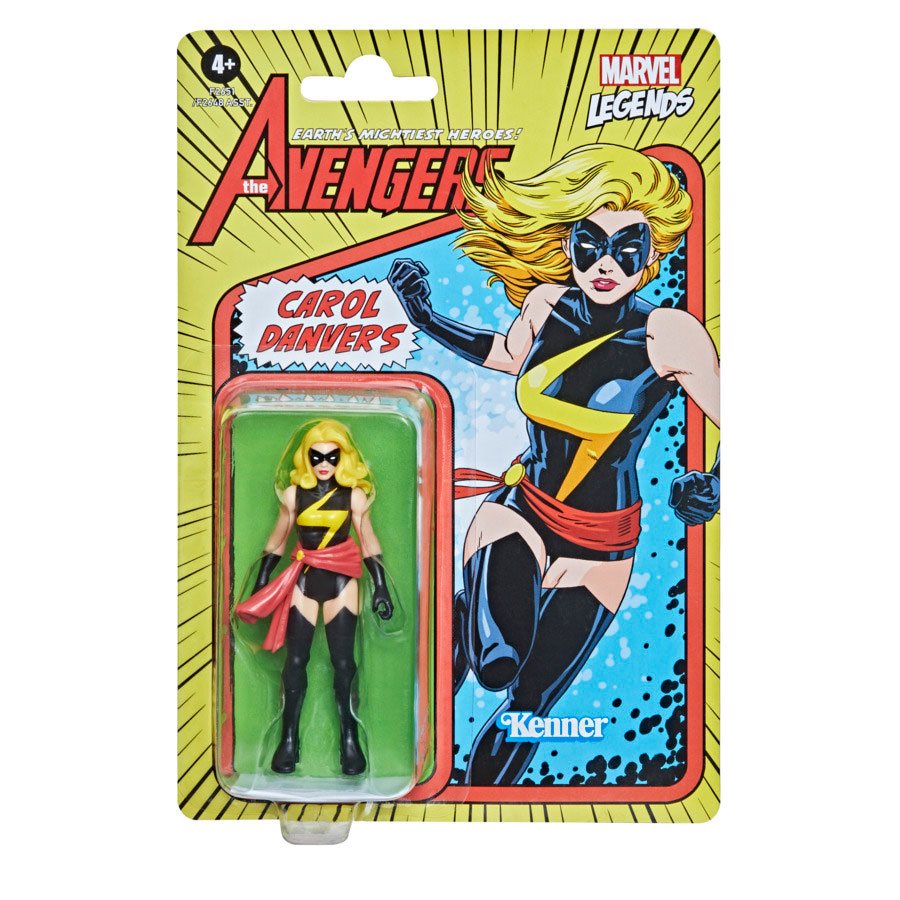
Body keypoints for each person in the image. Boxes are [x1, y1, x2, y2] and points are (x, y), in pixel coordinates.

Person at [387, 144, 720, 786]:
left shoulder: (671, 335)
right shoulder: (545, 304)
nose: (605, 263)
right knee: (497, 658)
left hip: (604, 545)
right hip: (523, 511)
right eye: (589, 243)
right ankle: (398, 739)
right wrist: (424, 318)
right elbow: (508, 354)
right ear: (567, 243)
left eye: (626, 247)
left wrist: (715, 484)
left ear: (650, 252)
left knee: (529, 706)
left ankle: (474, 806)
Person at [234, 419, 393, 776]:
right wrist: (262, 578)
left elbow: (368, 540)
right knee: (295, 661)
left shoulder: (354, 496)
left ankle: (350, 739)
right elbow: (278, 538)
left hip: (341, 581)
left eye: (332, 456)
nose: (324, 463)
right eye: (316, 456)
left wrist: (381, 584)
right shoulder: (294, 495)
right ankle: (288, 739)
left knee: (344, 663)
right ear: (306, 457)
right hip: (304, 580)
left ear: (343, 458)